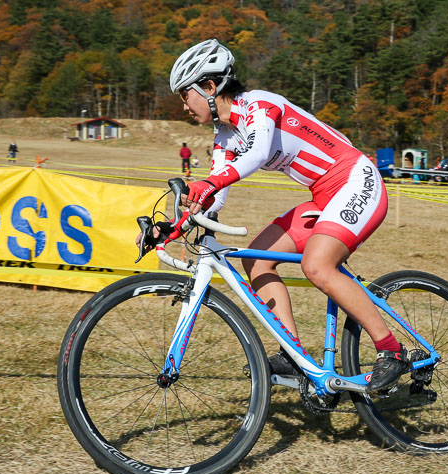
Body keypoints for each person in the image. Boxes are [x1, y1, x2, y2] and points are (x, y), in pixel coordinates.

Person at [162, 39, 407, 392]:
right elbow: (215, 198)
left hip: (356, 179)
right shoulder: (224, 136)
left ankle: (391, 350)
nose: (183, 106)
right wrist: (174, 226)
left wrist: (210, 181)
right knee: (256, 261)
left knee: (317, 265)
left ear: (210, 86)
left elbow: (259, 152)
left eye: (185, 95)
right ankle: (294, 355)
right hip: (324, 196)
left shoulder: (261, 105)